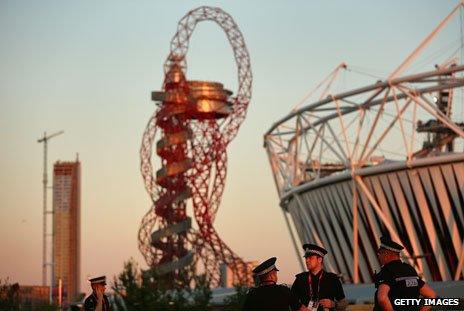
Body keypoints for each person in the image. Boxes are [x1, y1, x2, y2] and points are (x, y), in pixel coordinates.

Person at [374, 236, 436, 311]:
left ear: (387, 254)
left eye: (380, 253)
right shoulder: (410, 270)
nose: (379, 256)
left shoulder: (387, 271)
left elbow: (382, 298)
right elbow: (431, 295)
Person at [291, 244, 347, 311]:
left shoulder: (332, 279)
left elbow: (343, 303)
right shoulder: (300, 279)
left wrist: (333, 304)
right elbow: (291, 299)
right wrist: (299, 307)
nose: (307, 260)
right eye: (306, 258)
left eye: (310, 258)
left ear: (320, 259)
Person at [242, 257, 308, 311]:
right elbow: (301, 309)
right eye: (275, 274)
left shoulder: (252, 294)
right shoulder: (283, 290)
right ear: (272, 276)